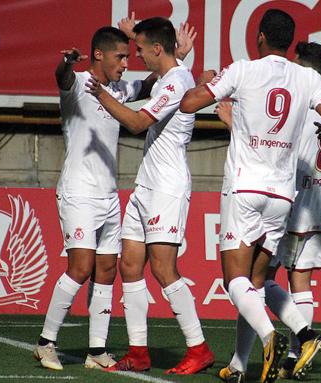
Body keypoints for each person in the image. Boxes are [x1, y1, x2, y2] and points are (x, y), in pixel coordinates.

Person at [180, 9, 321, 383]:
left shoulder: (243, 70)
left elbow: (189, 104)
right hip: (282, 195)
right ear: (289, 42)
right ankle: (285, 344)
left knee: (234, 280)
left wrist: (207, 84)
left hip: (245, 186)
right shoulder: (306, 77)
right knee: (258, 284)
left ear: (259, 37)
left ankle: (270, 336)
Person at [33, 17, 195, 371]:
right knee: (80, 267)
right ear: (98, 56)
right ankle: (46, 342)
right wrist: (66, 63)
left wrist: (178, 55)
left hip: (109, 195)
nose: (126, 63)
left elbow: (157, 80)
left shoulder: (120, 90)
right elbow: (60, 78)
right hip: (78, 192)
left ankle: (97, 350)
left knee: (106, 270)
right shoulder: (77, 83)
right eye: (120, 57)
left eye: (128, 56)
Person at [85, 16, 214, 375]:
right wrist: (135, 34)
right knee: (130, 265)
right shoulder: (170, 76)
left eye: (140, 49)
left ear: (158, 49)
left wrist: (100, 95)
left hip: (167, 189)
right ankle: (139, 352)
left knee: (163, 268)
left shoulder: (176, 82)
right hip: (146, 185)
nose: (136, 56)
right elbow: (170, 66)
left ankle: (199, 348)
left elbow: (139, 122)